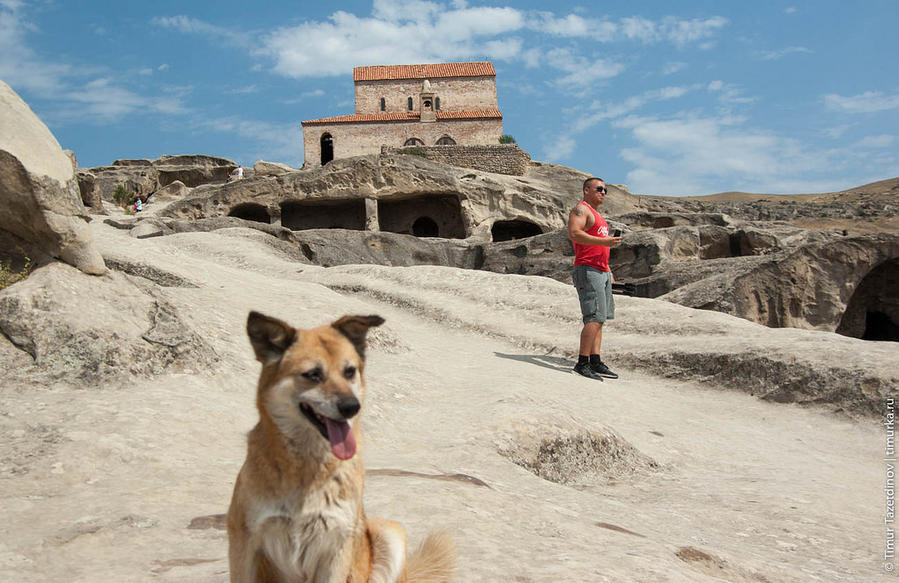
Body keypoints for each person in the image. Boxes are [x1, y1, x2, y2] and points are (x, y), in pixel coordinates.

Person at [567, 177, 622, 381]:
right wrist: (605, 240)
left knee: (602, 317)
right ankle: (582, 362)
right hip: (588, 269)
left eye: (605, 190)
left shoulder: (598, 216)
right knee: (593, 317)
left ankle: (595, 360)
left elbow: (600, 246)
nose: (603, 192)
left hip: (601, 271)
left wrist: (608, 270)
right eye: (599, 189)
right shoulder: (580, 210)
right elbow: (574, 233)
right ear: (586, 190)